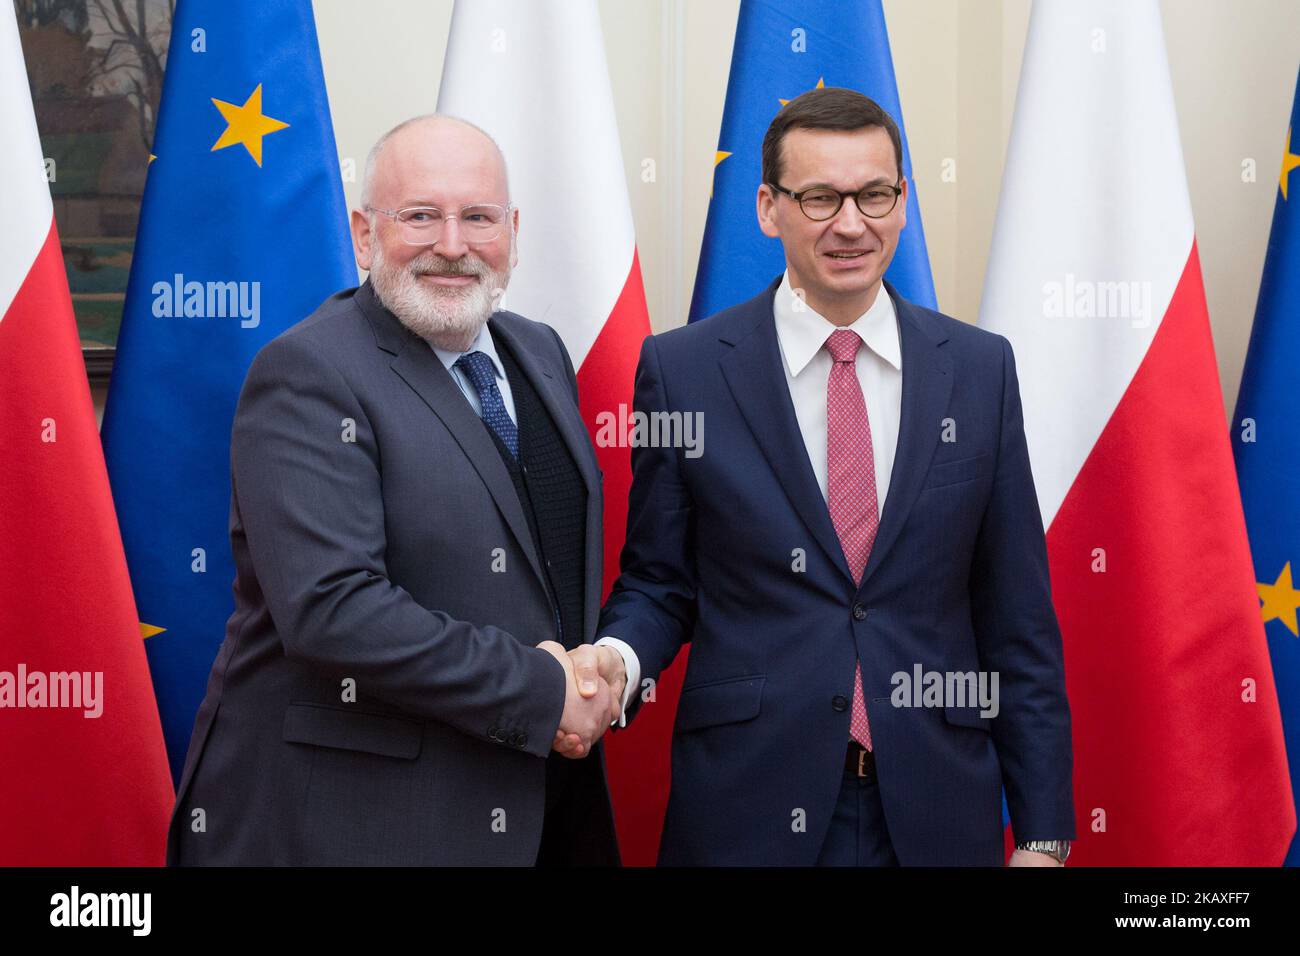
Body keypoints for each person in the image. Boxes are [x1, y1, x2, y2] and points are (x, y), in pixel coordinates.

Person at [585, 87, 1076, 865]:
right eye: (819, 197)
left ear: (903, 202)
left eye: (874, 194)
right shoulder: (683, 373)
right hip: (745, 810)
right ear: (767, 208)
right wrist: (616, 663)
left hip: (934, 811)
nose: (852, 224)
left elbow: (1016, 617)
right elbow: (659, 582)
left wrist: (1045, 832)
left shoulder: (981, 370)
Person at [167, 114, 632, 866]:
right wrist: (544, 689)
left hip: (536, 807)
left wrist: (596, 670)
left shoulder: (539, 352)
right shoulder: (309, 373)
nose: (452, 244)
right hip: (360, 824)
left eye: (478, 217)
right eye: (420, 216)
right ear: (363, 233)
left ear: (512, 232)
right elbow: (334, 609)